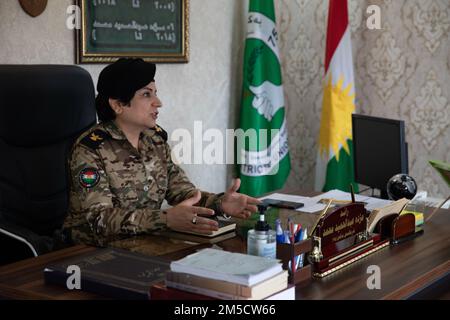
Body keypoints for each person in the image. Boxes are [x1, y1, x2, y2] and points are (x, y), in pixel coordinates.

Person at [62, 58, 260, 246]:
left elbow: (182, 192)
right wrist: (165, 219)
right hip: (92, 253)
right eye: (147, 94)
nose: (158, 102)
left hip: (146, 244)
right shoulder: (90, 150)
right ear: (118, 105)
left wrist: (219, 203)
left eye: (155, 93)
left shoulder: (155, 140)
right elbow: (99, 219)